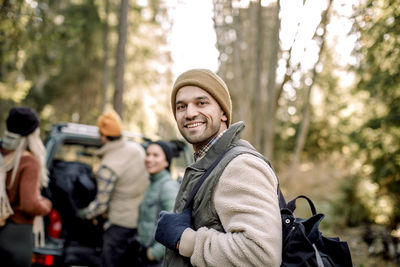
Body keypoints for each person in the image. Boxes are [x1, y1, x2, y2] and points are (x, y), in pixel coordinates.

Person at [155, 69, 282, 266]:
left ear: (223, 112)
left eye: (201, 103)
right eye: (181, 106)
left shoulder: (240, 165)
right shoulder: (208, 163)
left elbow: (261, 254)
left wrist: (185, 240)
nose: (189, 113)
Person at [78, 109, 149, 267]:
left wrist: (83, 213)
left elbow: (101, 204)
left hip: (118, 226)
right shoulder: (137, 150)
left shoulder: (108, 166)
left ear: (103, 136)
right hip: (140, 224)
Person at [0, 107, 52, 267]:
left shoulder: (2, 153)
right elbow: (29, 205)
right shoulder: (29, 161)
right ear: (31, 134)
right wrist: (46, 205)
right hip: (18, 235)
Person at [132, 141, 181, 266]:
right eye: (148, 154)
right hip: (143, 253)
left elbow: (174, 228)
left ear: (166, 162)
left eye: (155, 155)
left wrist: (154, 253)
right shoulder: (153, 182)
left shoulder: (168, 187)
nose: (149, 159)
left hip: (156, 260)